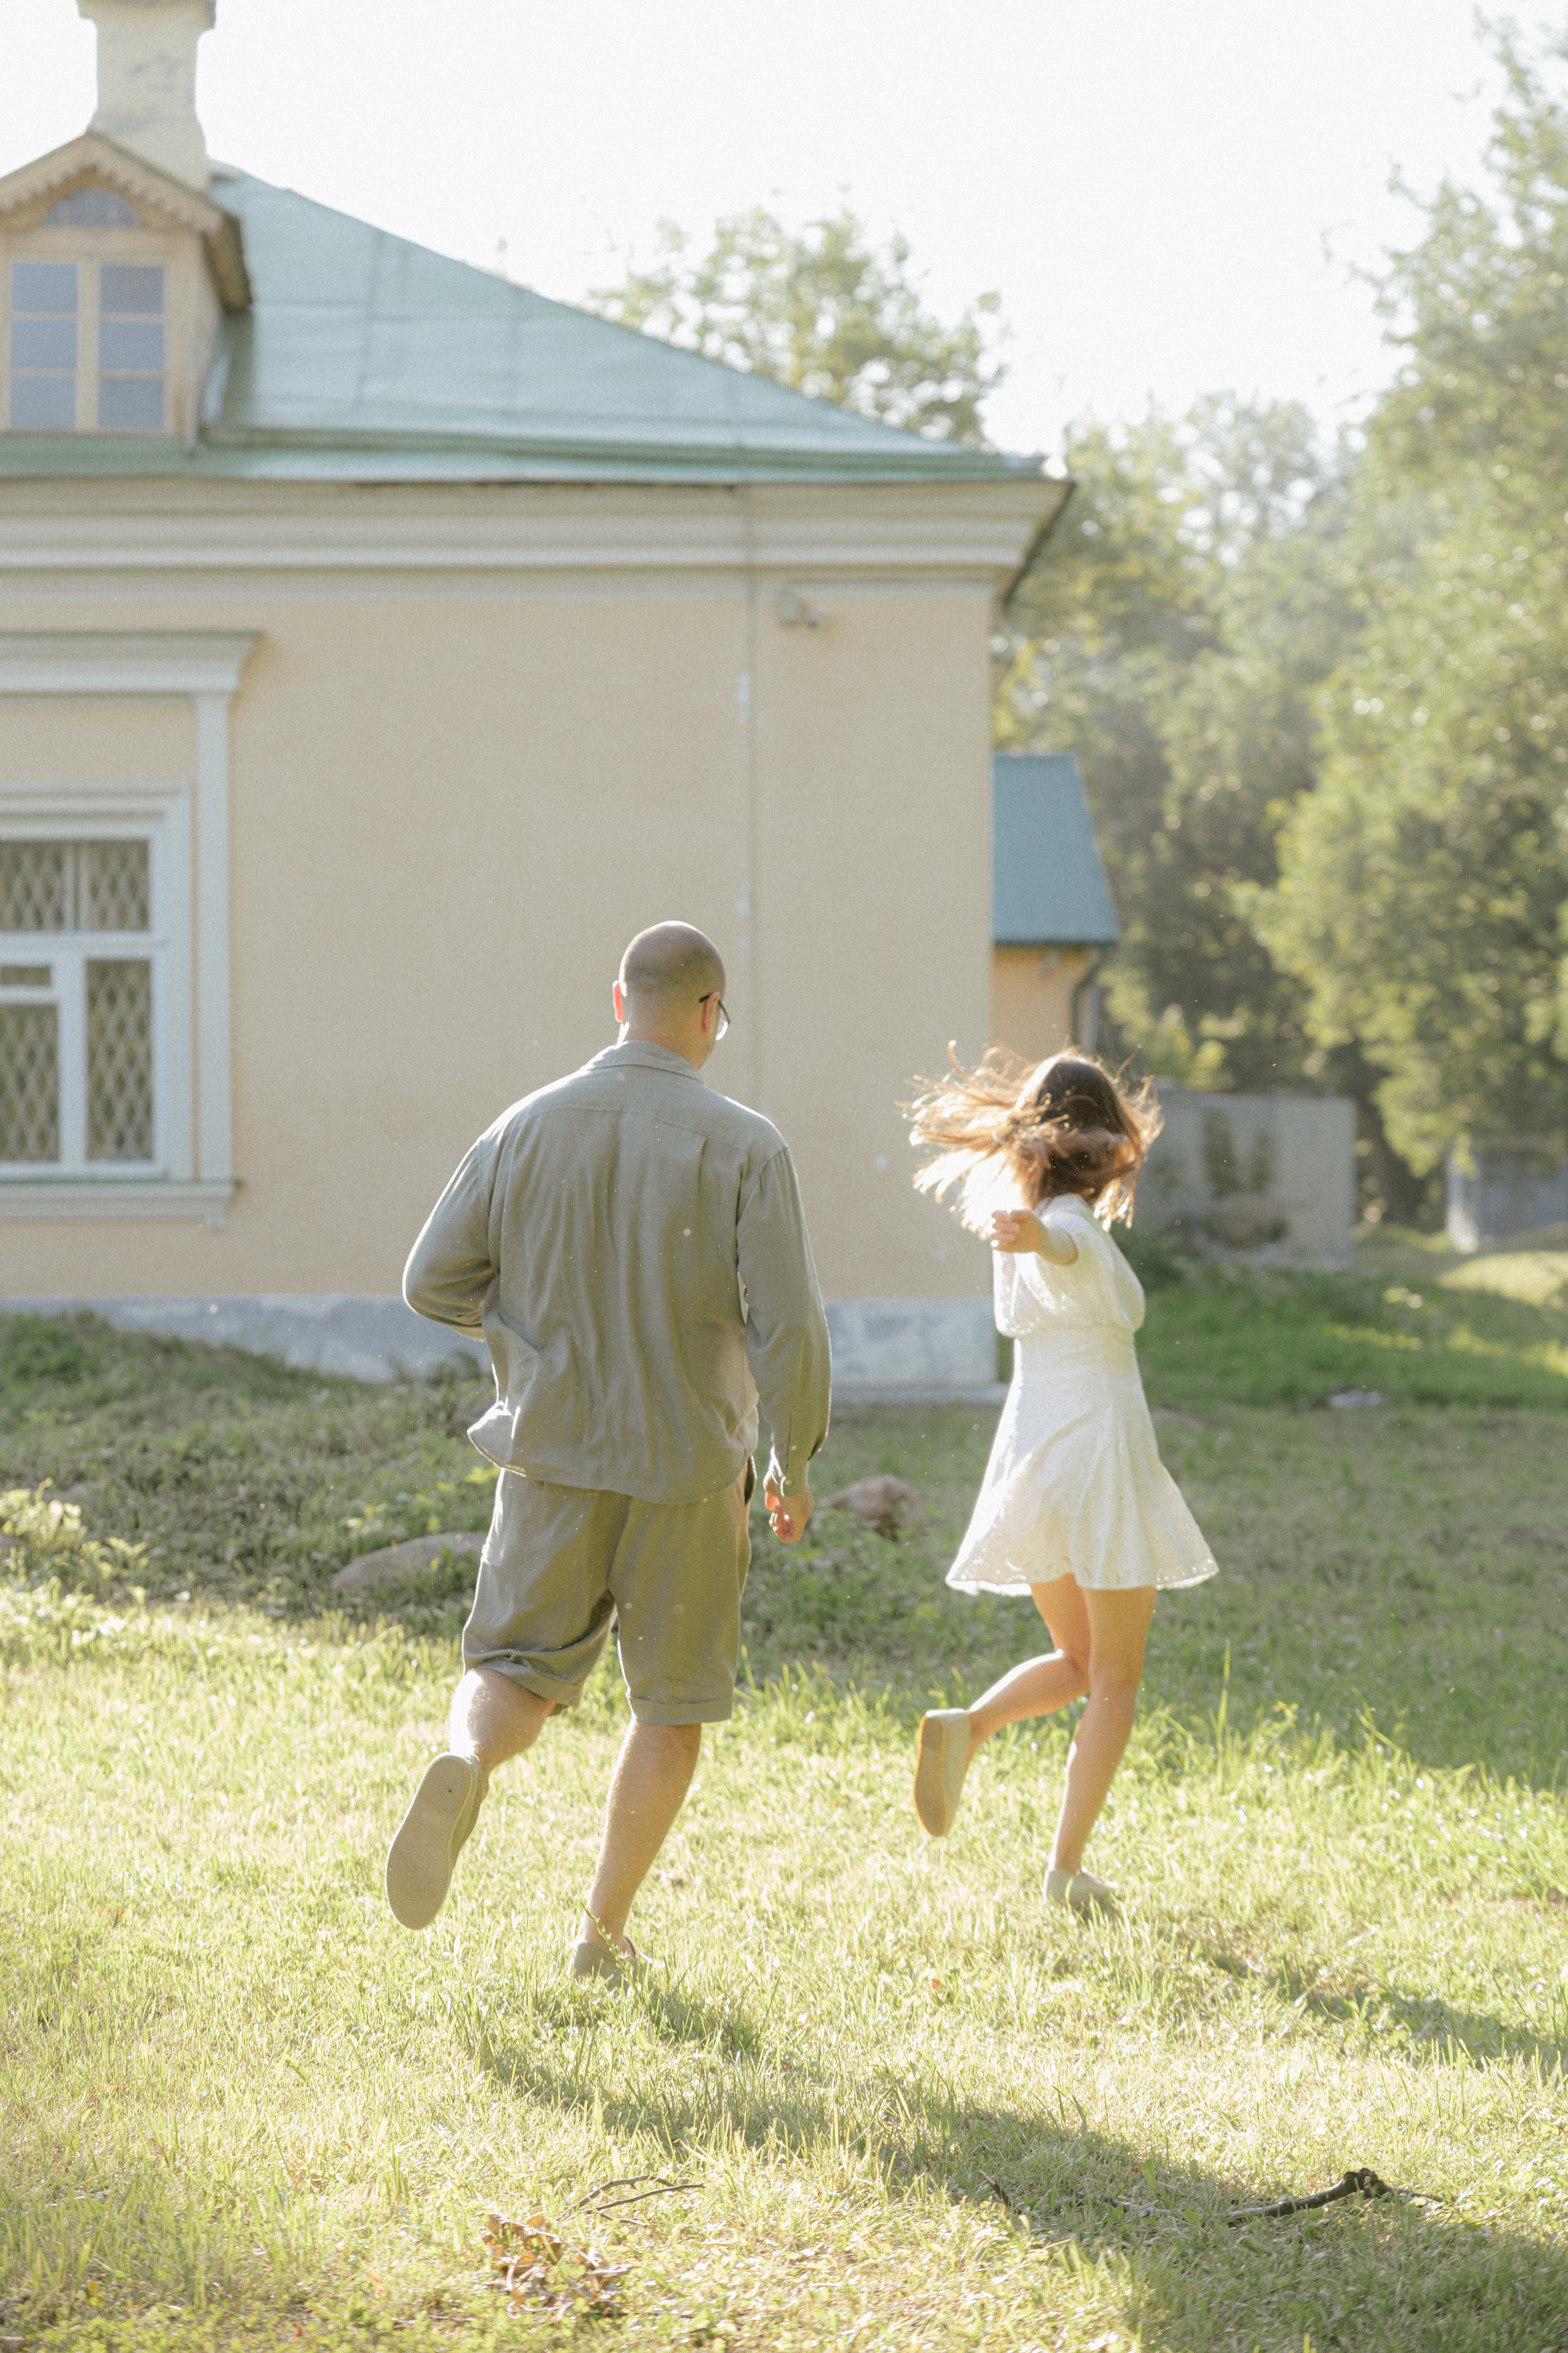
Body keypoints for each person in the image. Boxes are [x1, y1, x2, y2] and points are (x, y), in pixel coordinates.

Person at [388, 921, 831, 1977]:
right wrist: (793, 1459)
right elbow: (790, 1328)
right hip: (690, 1470)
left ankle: (464, 1758)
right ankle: (601, 1931)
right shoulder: (747, 1145)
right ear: (710, 1012)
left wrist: (526, 1337)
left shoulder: (524, 1125)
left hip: (550, 1452)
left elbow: (429, 1281)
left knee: (513, 1667)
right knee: (671, 1705)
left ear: (620, 1000)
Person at [903, 1049, 1216, 1914]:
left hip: (1035, 1457)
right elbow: (1071, 1251)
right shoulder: (1065, 1226)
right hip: (1098, 1458)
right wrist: (1044, 1238)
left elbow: (1057, 1251)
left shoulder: (1027, 1227)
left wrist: (1033, 1236)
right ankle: (1066, 1869)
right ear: (1104, 1144)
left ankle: (971, 1725)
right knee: (1115, 1675)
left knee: (1078, 1660)